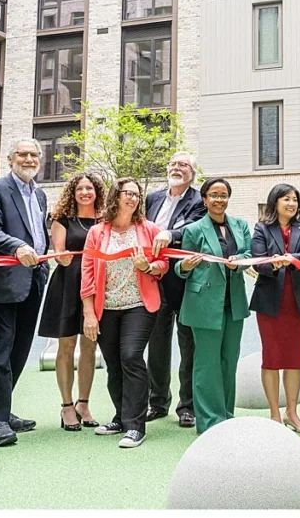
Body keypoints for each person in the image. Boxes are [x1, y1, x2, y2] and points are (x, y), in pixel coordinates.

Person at [80, 178, 167, 448]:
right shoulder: (97, 232)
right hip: (105, 308)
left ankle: (135, 426)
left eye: (137, 195)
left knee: (131, 357)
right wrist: (89, 314)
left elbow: (162, 263)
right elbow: (87, 272)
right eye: (127, 193)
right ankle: (120, 416)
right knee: (114, 364)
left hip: (139, 304)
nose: (133, 198)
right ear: (115, 196)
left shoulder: (149, 229)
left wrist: (148, 267)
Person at [0, 138, 51, 447]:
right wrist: (18, 246)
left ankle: (0, 411)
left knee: (20, 350)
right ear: (10, 159)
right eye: (23, 154)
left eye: (34, 155)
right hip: (0, 283)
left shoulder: (41, 194)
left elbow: (39, 232)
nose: (29, 159)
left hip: (33, 280)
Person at [176, 177, 252, 434]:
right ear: (205, 199)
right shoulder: (193, 230)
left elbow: (250, 255)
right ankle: (209, 422)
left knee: (229, 361)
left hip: (234, 302)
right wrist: (184, 266)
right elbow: (180, 265)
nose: (219, 200)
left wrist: (239, 260)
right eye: (214, 195)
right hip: (204, 304)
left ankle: (227, 417)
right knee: (206, 364)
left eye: (223, 195)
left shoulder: (240, 225)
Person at [37, 172, 106, 431]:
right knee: (66, 347)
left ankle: (83, 404)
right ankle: (66, 406)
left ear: (97, 192)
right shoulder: (62, 219)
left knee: (90, 348)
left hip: (96, 286)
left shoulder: (104, 220)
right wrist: (61, 257)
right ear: (73, 193)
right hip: (67, 286)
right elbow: (59, 253)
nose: (85, 192)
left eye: (90, 188)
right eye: (80, 188)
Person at [250, 184, 300, 433]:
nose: (291, 204)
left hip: (298, 299)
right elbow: (258, 260)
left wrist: (292, 258)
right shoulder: (262, 228)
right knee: (271, 358)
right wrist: (275, 264)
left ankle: (292, 413)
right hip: (270, 301)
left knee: (294, 359)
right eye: (286, 199)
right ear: (275, 202)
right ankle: (274, 414)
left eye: (294, 200)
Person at [145, 151, 205, 428]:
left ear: (192, 172)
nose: (177, 168)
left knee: (188, 345)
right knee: (156, 345)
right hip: (154, 280)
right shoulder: (153, 198)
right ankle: (157, 402)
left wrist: (171, 234)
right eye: (173, 164)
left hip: (184, 281)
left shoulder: (198, 201)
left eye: (183, 165)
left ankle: (187, 407)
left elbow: (193, 227)